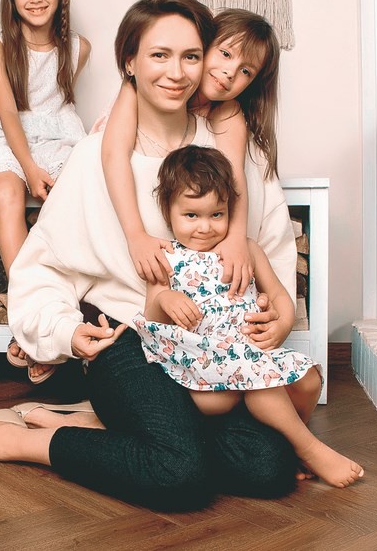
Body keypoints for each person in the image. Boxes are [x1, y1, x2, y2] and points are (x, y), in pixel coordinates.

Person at [0, 0, 302, 509]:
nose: (177, 72)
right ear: (130, 63)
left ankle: (103, 424)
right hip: (128, 338)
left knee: (271, 466)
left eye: (190, 56)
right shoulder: (97, 154)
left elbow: (269, 245)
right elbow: (43, 265)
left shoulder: (232, 145)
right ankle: (19, 441)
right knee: (179, 473)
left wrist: (280, 314)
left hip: (211, 346)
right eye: (159, 55)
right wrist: (65, 332)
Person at [139, 145, 363, 488]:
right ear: (168, 212)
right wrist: (165, 299)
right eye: (191, 215)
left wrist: (282, 324)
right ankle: (310, 448)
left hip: (251, 354)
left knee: (308, 381)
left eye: (217, 214)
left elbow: (280, 296)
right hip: (204, 369)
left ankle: (290, 446)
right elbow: (150, 318)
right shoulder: (166, 258)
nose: (205, 227)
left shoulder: (247, 250)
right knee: (263, 384)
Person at [0, 0, 91, 383]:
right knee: (8, 189)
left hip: (59, 139)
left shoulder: (78, 48)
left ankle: (58, 318)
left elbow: (58, 109)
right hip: (10, 139)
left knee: (76, 198)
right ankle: (28, 316)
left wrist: (48, 167)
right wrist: (29, 168)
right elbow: (7, 115)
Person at [101, 8, 282, 299]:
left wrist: (236, 238)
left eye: (246, 71)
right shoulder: (142, 86)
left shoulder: (227, 111)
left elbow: (234, 175)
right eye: (225, 54)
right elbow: (113, 154)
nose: (230, 72)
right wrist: (136, 236)